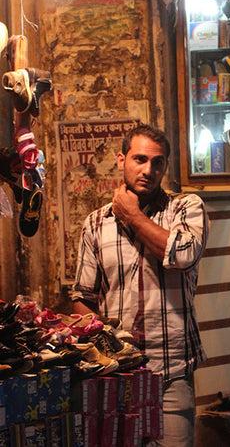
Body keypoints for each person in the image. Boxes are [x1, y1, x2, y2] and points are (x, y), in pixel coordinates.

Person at [70, 123, 209, 447]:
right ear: (121, 160)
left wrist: (133, 216)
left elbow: (183, 254)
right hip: (117, 375)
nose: (148, 170)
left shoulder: (185, 208)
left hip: (171, 371)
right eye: (140, 159)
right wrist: (103, 344)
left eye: (157, 163)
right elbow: (83, 296)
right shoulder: (95, 223)